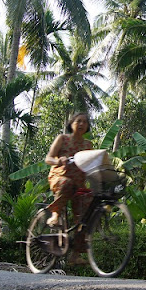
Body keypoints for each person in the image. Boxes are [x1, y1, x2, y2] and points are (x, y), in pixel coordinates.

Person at [45, 112, 93, 265]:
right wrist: (59, 160)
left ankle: (75, 255)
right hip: (59, 178)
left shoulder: (88, 145)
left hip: (79, 185)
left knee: (86, 213)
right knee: (67, 184)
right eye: (78, 121)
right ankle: (55, 214)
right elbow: (48, 159)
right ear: (71, 123)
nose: (81, 124)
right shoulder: (62, 139)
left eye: (84, 122)